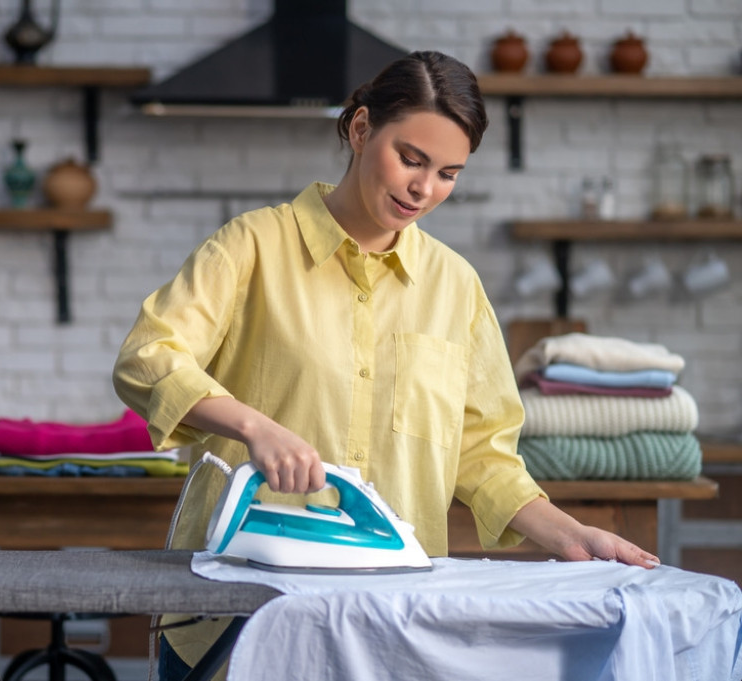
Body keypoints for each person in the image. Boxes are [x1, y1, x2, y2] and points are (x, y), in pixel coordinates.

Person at [112, 50, 659, 681]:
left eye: (449, 173)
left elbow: (481, 457)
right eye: (412, 159)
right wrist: (254, 428)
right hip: (240, 618)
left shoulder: (456, 288)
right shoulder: (252, 247)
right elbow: (147, 357)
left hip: (393, 626)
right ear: (361, 129)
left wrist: (568, 536)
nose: (424, 189)